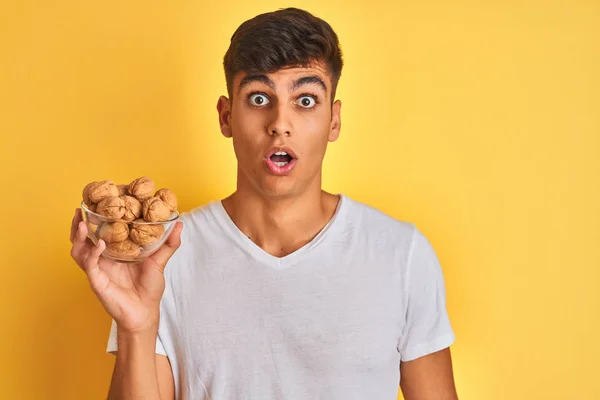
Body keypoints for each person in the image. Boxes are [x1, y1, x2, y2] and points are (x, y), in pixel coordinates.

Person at [69, 7, 458, 400]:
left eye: (305, 100)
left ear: (334, 121)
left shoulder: (400, 253)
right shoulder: (166, 255)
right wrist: (137, 327)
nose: (280, 123)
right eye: (259, 98)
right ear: (226, 116)